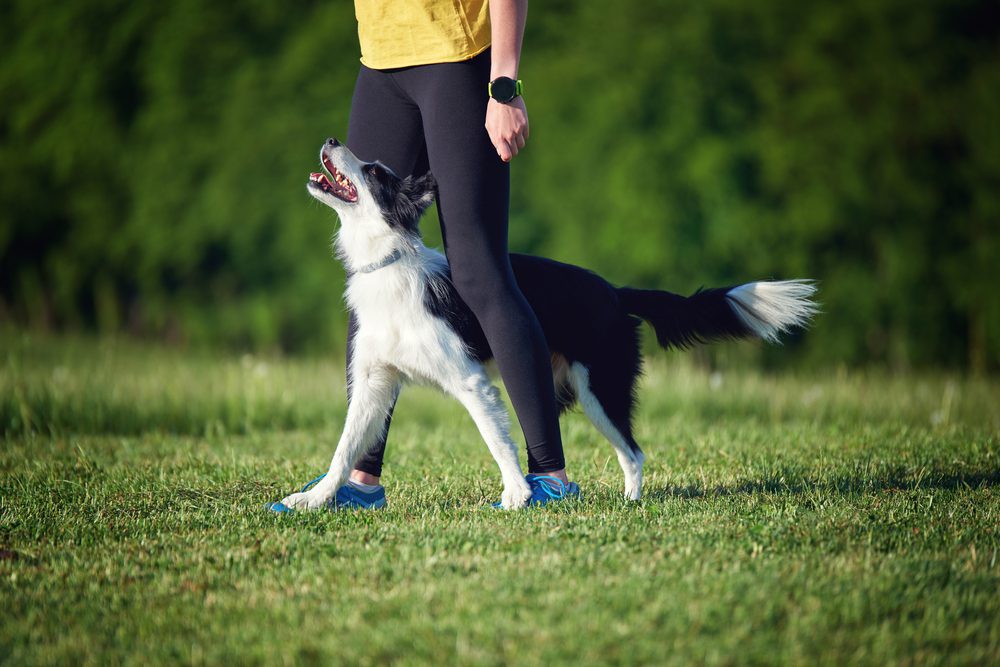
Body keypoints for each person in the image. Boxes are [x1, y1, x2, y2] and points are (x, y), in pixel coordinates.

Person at [331, 0, 578, 508]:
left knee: (477, 270)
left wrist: (503, 85)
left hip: (457, 57)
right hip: (379, 61)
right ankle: (359, 483)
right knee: (372, 273)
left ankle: (550, 478)